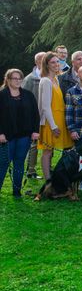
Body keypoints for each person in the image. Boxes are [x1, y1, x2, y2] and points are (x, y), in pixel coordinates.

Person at [0, 69, 40, 197]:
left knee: (19, 163)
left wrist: (35, 131)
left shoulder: (28, 95)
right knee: (3, 163)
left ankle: (17, 191)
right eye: (14, 78)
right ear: (8, 80)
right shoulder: (2, 95)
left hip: (24, 136)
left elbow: (35, 114)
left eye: (19, 78)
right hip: (6, 136)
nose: (17, 81)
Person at [37, 52, 73, 180]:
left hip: (59, 117)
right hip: (50, 120)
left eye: (58, 62)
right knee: (47, 151)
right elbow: (45, 106)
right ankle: (48, 179)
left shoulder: (56, 79)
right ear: (46, 64)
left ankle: (58, 175)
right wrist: (53, 126)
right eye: (53, 62)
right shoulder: (45, 81)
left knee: (57, 149)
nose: (56, 64)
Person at [22, 51, 46, 179]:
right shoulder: (29, 79)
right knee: (34, 143)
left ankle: (48, 168)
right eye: (43, 60)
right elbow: (23, 98)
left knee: (47, 143)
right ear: (37, 62)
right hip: (33, 116)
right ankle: (31, 170)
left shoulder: (49, 77)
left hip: (47, 115)